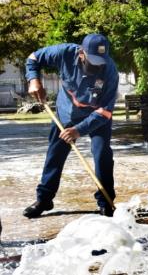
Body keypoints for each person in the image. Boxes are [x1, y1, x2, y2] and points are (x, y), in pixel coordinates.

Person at [23, 34, 119, 218]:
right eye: (93, 60)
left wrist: (78, 130)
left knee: (102, 155)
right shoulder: (64, 52)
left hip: (96, 117)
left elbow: (106, 111)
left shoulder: (110, 71)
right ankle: (44, 199)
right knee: (55, 155)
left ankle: (106, 201)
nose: (97, 65)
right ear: (81, 53)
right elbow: (33, 58)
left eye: (101, 61)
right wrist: (33, 80)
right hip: (66, 112)